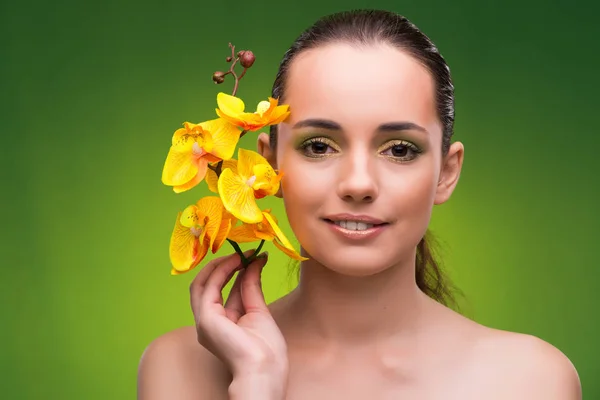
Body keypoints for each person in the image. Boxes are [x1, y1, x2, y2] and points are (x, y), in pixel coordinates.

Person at [138, 9, 581, 400]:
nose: (358, 184)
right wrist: (256, 385)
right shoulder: (180, 369)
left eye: (400, 150)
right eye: (319, 145)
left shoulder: (531, 381)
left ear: (446, 173)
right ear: (268, 165)